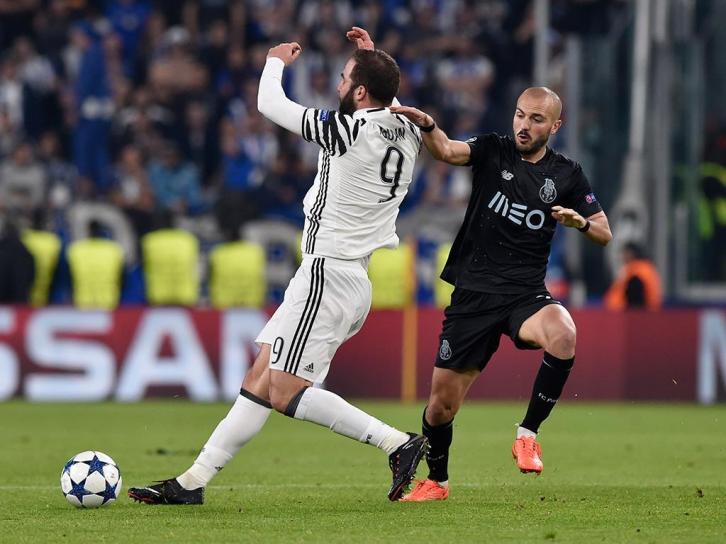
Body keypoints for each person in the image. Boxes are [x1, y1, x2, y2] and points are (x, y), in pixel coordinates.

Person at [128, 27, 428, 505]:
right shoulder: (409, 130)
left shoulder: (346, 130)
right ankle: (192, 483)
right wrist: (371, 58)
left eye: (345, 77)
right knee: (260, 379)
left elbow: (269, 104)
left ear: (360, 92)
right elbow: (386, 98)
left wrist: (274, 62)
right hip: (345, 274)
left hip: (329, 275)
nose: (338, 83)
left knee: (285, 391)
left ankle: (396, 443)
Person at [389, 87, 613, 501]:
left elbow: (604, 232)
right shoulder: (494, 149)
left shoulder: (567, 174)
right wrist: (429, 125)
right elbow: (448, 150)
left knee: (564, 333)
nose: (524, 125)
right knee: (440, 408)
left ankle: (528, 435)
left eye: (536, 119)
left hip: (524, 295)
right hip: (473, 296)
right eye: (520, 115)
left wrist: (579, 222)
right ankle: (437, 481)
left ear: (555, 126)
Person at [604, 242, 662, 310]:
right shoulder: (642, 268)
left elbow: (635, 296)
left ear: (632, 254)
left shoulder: (638, 270)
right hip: (646, 310)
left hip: (635, 312)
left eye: (625, 253)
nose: (622, 257)